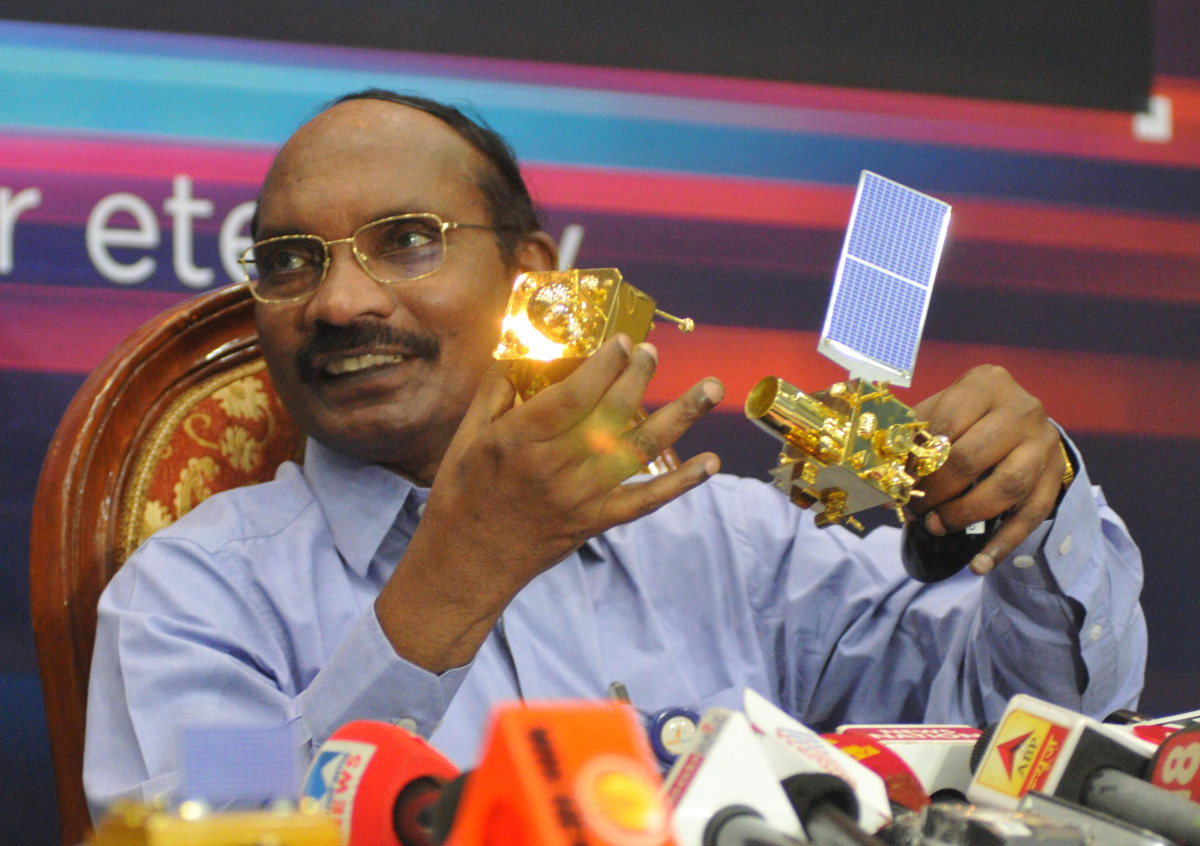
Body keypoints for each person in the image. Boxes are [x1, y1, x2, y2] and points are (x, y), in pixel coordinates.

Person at [82, 90, 1146, 818]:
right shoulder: (197, 594)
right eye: (288, 260)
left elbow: (1030, 733)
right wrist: (452, 581)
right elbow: (209, 820)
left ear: (534, 280)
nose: (339, 301)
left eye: (406, 241)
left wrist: (1034, 509)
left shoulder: (721, 538)